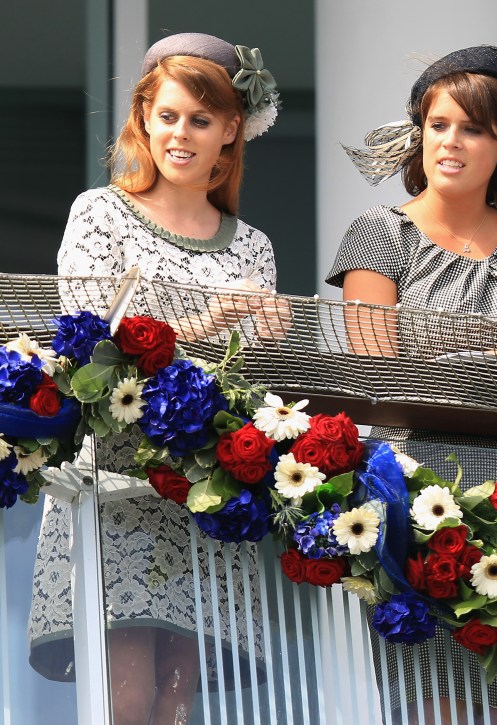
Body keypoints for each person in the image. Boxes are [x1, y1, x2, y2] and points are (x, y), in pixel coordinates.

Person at [29, 32, 284, 725]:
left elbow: (251, 387)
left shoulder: (253, 244)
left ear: (232, 129)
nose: (180, 133)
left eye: (200, 119)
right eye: (167, 115)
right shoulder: (100, 212)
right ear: (143, 116)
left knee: (180, 694)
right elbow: (84, 345)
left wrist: (272, 342)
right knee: (128, 696)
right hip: (115, 479)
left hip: (208, 482)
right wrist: (204, 325)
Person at [328, 45, 497, 725]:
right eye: (438, 124)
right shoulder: (379, 233)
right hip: (414, 483)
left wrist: (464, 358)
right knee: (430, 699)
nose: (450, 141)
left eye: (470, 128)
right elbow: (379, 373)